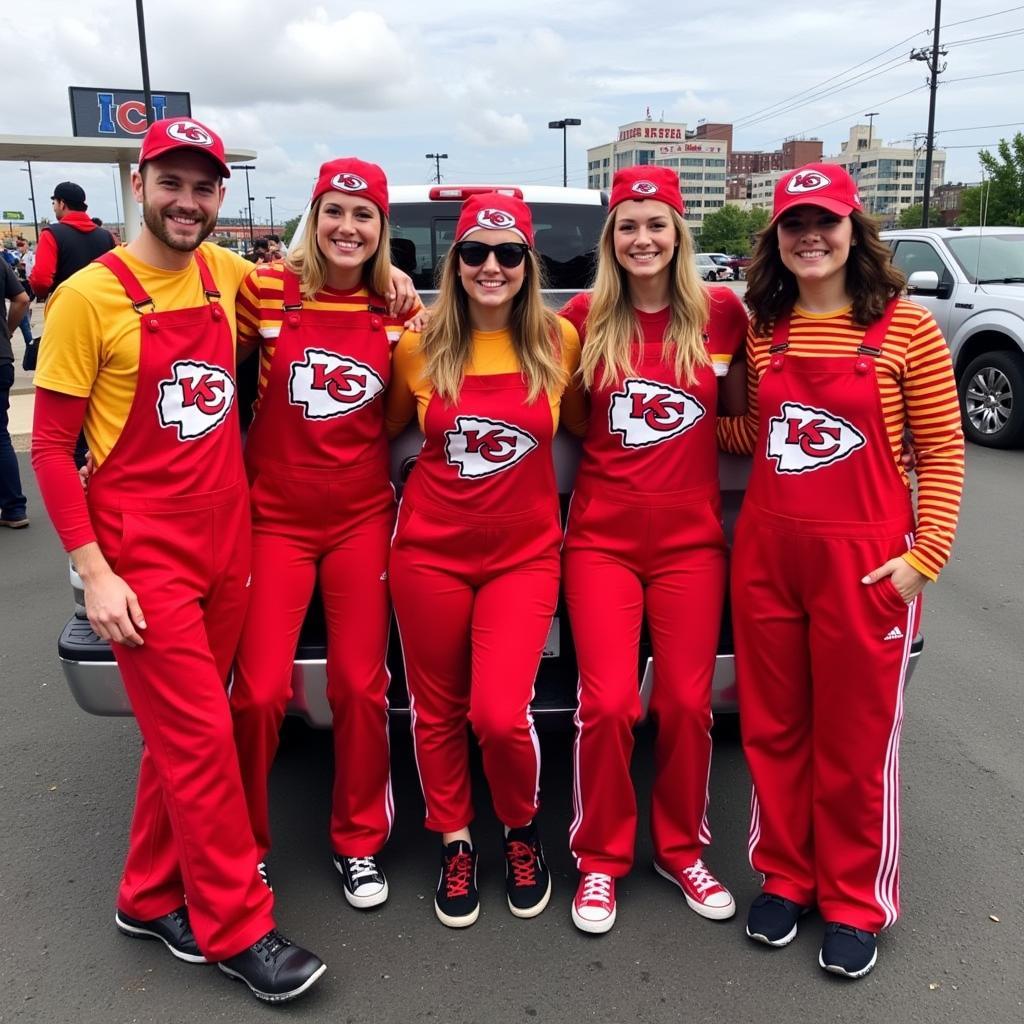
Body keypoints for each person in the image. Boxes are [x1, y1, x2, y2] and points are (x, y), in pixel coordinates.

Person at [30, 117, 326, 1004]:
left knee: (181, 738)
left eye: (205, 187)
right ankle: (238, 925)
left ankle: (146, 894)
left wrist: (388, 273)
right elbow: (51, 448)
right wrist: (96, 569)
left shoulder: (221, 274)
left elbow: (310, 275)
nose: (188, 202)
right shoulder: (89, 296)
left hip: (227, 537)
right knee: (200, 740)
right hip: (142, 550)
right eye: (173, 183)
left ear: (219, 198)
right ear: (139, 182)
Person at [720, 163, 965, 978]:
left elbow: (940, 450)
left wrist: (922, 560)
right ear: (776, 240)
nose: (811, 237)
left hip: (867, 569)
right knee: (773, 730)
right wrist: (653, 410)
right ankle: (787, 877)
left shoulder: (907, 329)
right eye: (794, 225)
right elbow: (749, 435)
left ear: (856, 232)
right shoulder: (766, 329)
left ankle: (857, 900)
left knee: (857, 743)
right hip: (769, 558)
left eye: (826, 222)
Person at [558, 165, 746, 934]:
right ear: (612, 238)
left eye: (656, 223)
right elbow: (573, 424)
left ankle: (680, 850)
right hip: (601, 540)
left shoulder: (722, 315)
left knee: (686, 705)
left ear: (678, 232)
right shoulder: (579, 316)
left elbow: (738, 418)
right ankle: (599, 859)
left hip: (692, 544)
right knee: (606, 704)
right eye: (628, 225)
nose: (642, 238)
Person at [385, 192, 581, 928]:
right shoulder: (419, 343)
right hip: (429, 554)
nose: (490, 266)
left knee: (500, 715)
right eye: (474, 252)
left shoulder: (560, 341)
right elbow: (384, 434)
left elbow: (595, 425)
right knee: (434, 709)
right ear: (454, 262)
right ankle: (455, 840)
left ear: (529, 263)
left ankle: (521, 827)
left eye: (507, 253)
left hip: (525, 557)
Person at [231, 158, 408, 910]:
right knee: (260, 691)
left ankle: (359, 841)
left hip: (362, 517)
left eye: (363, 215)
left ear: (381, 229)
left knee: (361, 687)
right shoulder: (264, 288)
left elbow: (411, 401)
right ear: (314, 215)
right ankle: (240, 845)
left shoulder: (399, 311)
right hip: (273, 519)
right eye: (335, 211)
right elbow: (208, 365)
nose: (347, 227)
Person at [29, 182, 115, 302]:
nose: (53, 208)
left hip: (66, 306)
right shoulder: (107, 236)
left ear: (62, 204)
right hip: (102, 306)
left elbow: (41, 280)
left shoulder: (51, 234)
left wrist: (44, 294)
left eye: (54, 203)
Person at [1, 258, 30, 528]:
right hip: (1, 358)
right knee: (1, 435)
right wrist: (6, 331)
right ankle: (14, 507)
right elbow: (22, 299)